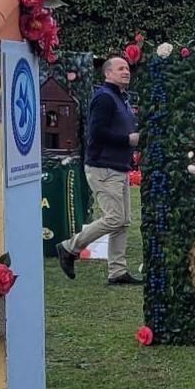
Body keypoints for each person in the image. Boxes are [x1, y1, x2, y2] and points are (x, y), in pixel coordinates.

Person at [57, 56, 140, 284]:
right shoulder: (104, 98)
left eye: (127, 68)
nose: (126, 72)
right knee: (114, 218)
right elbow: (97, 133)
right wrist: (128, 139)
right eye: (120, 68)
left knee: (123, 221)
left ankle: (118, 272)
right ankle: (68, 247)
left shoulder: (120, 98)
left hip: (118, 166)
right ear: (107, 74)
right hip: (103, 166)